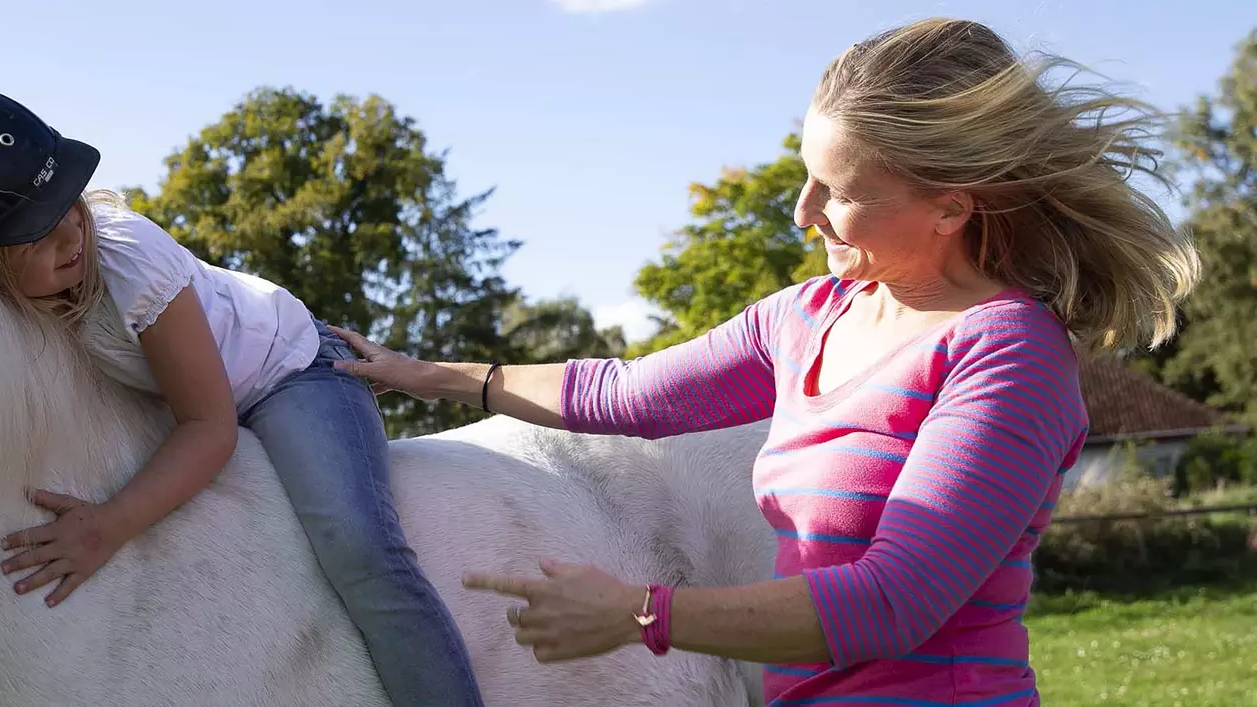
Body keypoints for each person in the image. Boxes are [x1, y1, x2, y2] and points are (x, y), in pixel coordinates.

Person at [329, 17, 1199, 706]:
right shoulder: (809, 318)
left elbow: (891, 602)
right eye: (807, 174)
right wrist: (435, 375)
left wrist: (638, 614)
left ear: (949, 208)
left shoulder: (1008, 354)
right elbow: (624, 393)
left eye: (841, 192)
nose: (802, 210)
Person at [0, 85, 486, 706]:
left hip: (289, 372)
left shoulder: (130, 259)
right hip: (170, 394)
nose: (71, 239)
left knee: (359, 546)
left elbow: (208, 426)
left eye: (71, 208)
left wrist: (108, 526)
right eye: (37, 238)